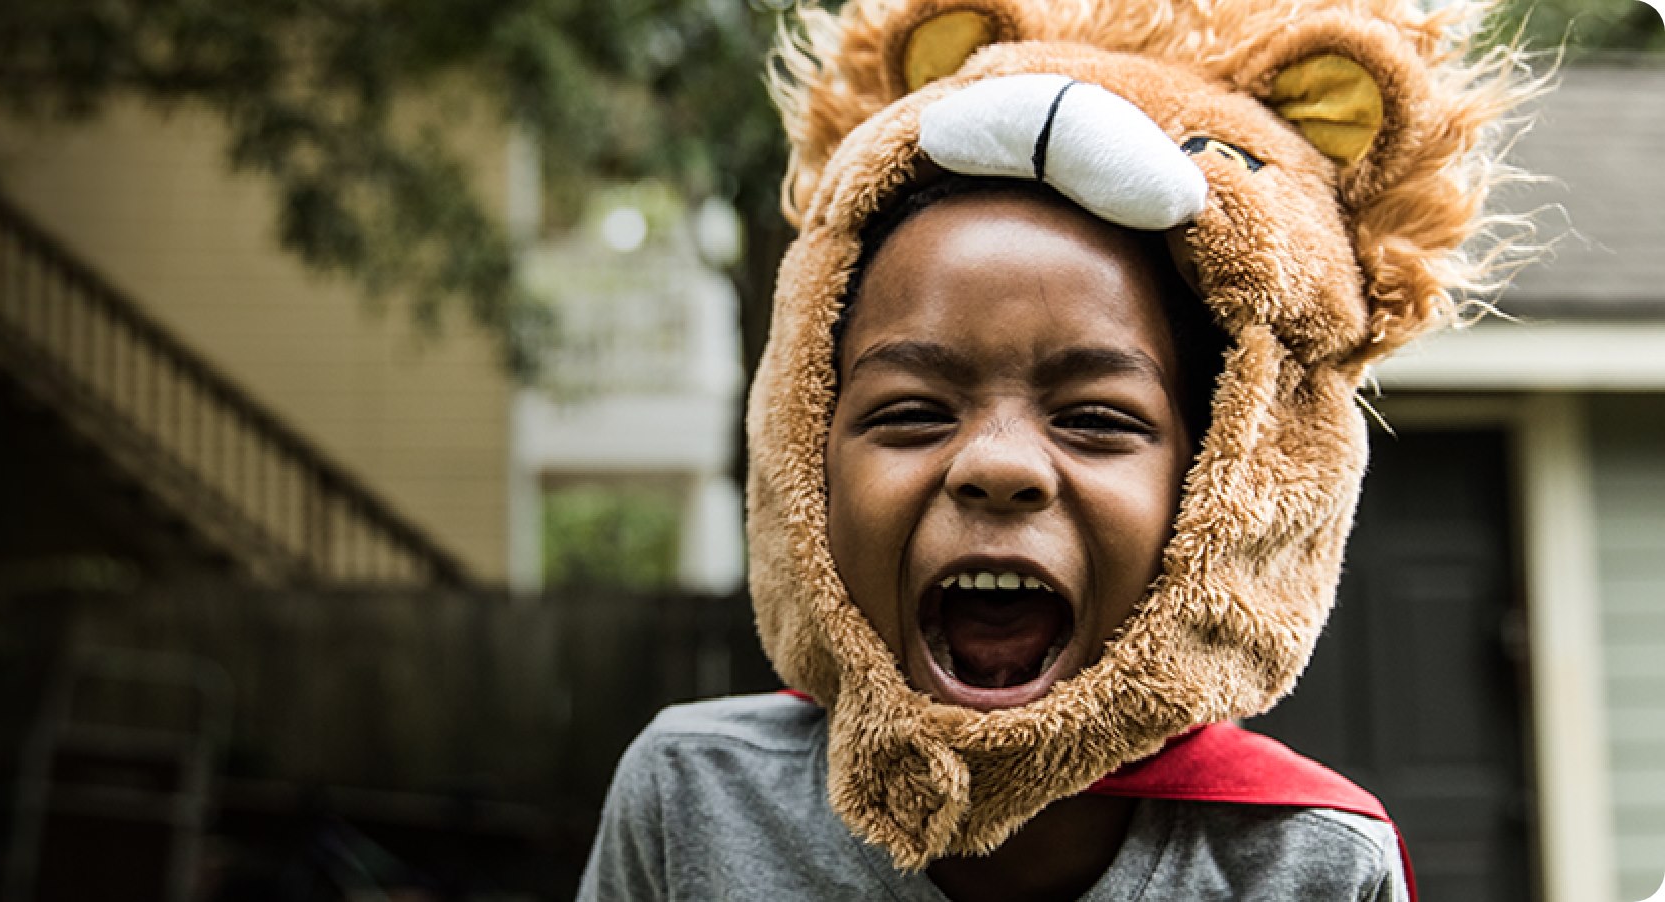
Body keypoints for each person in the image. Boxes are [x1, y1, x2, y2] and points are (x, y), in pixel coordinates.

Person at [580, 0, 1539, 897]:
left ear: (1222, 485)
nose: (998, 465)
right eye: (912, 412)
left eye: (1097, 419)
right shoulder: (688, 799)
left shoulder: (1309, 863)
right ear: (805, 457)